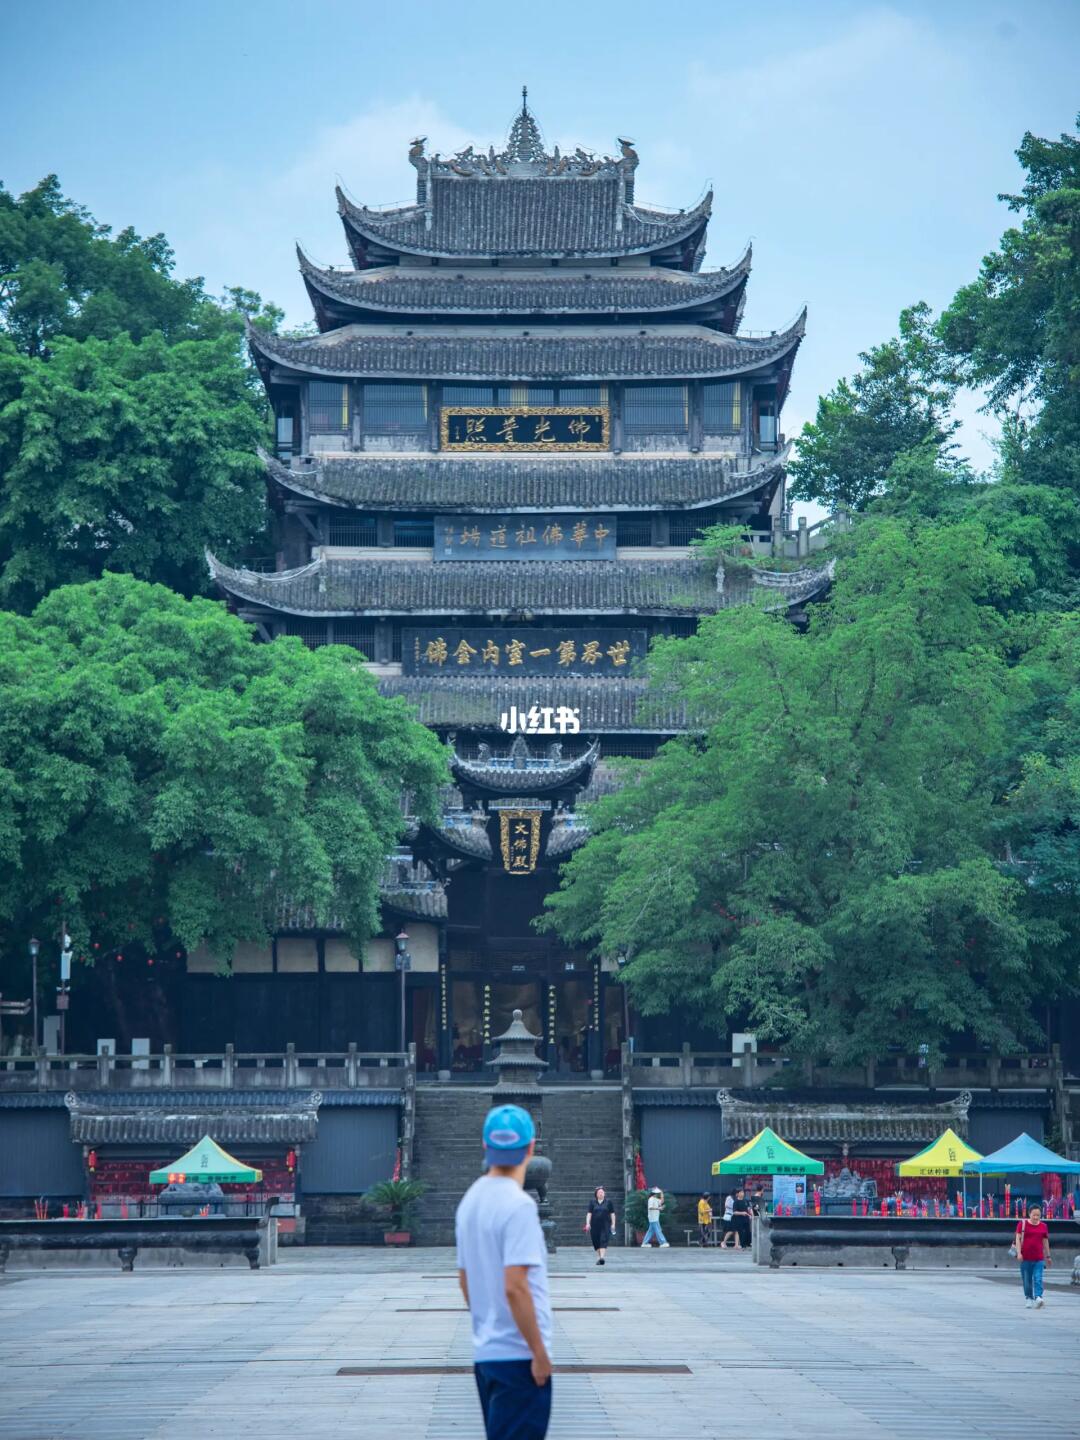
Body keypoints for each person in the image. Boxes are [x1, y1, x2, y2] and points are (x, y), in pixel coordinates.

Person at [456, 1103, 554, 1440]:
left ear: (485, 1146)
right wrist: (539, 1353)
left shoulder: (469, 1202)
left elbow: (465, 1280)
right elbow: (516, 1286)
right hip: (519, 1356)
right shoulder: (520, 1205)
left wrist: (489, 1321)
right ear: (530, 1147)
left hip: (487, 1355)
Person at [1014, 1202, 1052, 1309]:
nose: (1036, 1217)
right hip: (1025, 1258)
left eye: (1038, 1215)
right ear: (1029, 1214)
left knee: (1038, 1278)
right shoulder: (1022, 1224)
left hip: (1039, 1258)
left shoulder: (1043, 1226)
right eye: (1034, 1215)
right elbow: (1018, 1239)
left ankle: (1038, 1297)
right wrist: (1019, 1253)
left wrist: (1048, 1256)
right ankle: (1029, 1298)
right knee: (1027, 1280)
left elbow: (1045, 1242)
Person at [585, 1185, 616, 1265]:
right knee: (596, 1242)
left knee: (603, 1240)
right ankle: (599, 1257)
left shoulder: (608, 1202)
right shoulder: (592, 1202)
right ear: (596, 1194)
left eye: (602, 1192)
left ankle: (602, 1257)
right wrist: (588, 1223)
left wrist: (613, 1224)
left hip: (605, 1225)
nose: (601, 1194)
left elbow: (612, 1214)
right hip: (594, 1225)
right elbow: (589, 1214)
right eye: (599, 1192)